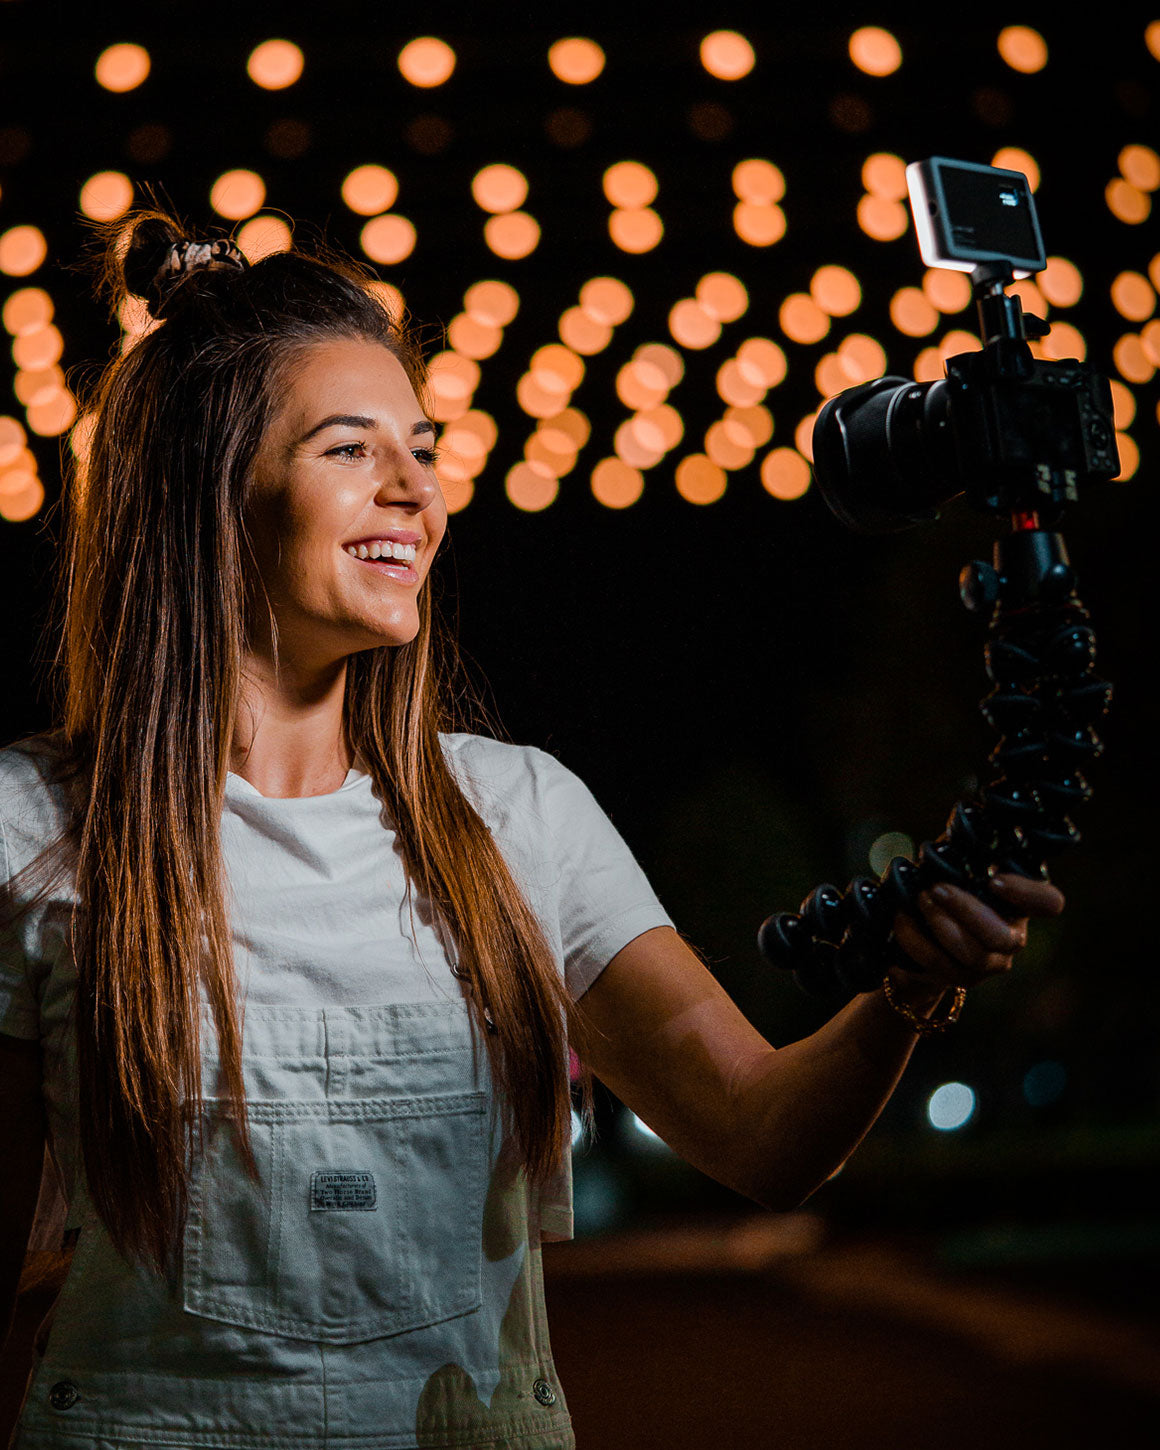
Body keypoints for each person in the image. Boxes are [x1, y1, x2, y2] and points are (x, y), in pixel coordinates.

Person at [0, 211, 1064, 1450]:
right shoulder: (32, 827)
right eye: (351, 448)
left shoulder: (517, 815)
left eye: (423, 447)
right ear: (202, 492)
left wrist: (908, 987)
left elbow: (764, 1140)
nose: (416, 488)